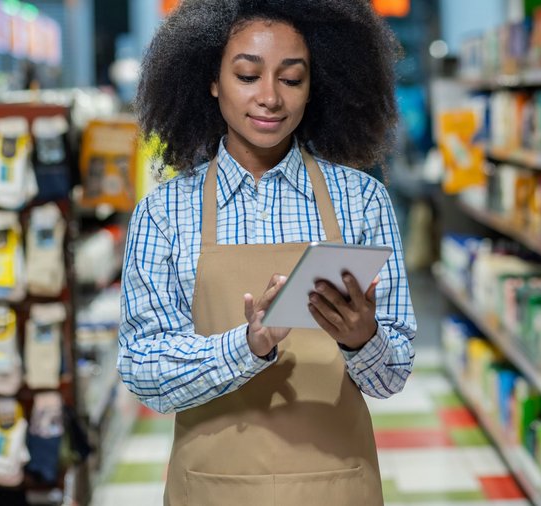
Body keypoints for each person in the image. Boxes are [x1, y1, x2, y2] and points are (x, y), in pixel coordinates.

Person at [118, 1, 417, 504]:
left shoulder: (362, 202)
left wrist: (364, 338)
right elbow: (142, 371)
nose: (270, 97)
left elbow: (392, 379)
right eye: (247, 75)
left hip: (335, 487)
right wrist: (247, 347)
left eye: (292, 79)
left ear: (314, 86)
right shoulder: (164, 213)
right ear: (211, 80)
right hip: (212, 489)